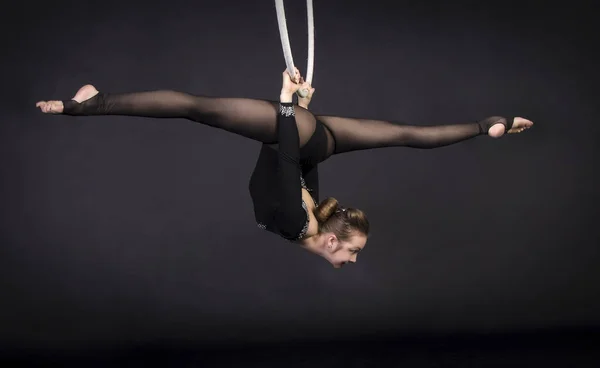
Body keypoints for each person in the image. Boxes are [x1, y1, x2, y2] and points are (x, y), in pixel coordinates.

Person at [36, 68, 533, 268]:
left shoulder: (306, 218)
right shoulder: (299, 225)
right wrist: (286, 108)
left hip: (316, 140)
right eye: (354, 252)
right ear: (332, 240)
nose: (353, 261)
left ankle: (488, 124)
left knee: (407, 136)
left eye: (355, 254)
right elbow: (287, 158)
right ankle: (91, 105)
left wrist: (296, 114)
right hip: (299, 133)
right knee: (194, 107)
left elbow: (288, 166)